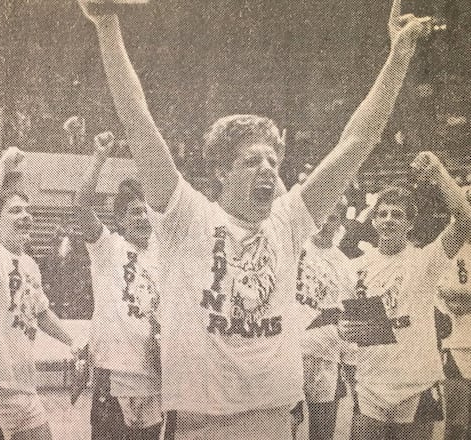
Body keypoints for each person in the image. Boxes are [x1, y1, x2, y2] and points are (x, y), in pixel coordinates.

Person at [78, 0, 431, 437]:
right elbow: (137, 119)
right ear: (222, 172)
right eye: (251, 161)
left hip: (276, 418)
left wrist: (398, 57)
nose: (267, 169)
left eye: (272, 161)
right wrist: (107, 25)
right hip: (201, 425)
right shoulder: (186, 216)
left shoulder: (288, 221)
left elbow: (357, 141)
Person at [339, 153, 471, 440]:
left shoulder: (425, 261)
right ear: (374, 221)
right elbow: (362, 337)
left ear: (410, 223)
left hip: (416, 386)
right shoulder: (356, 269)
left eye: (397, 215)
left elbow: (464, 221)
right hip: (371, 386)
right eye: (383, 214)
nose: (389, 220)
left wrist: (439, 174)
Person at [0, 147, 76, 440]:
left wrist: (72, 341)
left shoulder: (30, 265)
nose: (26, 216)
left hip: (25, 385)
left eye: (28, 211)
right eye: (15, 211)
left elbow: (42, 314)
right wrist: (2, 165)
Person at [75, 131, 162, 440]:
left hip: (155, 377)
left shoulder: (162, 254)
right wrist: (99, 159)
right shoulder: (108, 247)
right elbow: (81, 206)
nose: (144, 217)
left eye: (147, 210)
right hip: (115, 374)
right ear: (120, 219)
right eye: (135, 211)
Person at [294, 202, 356, 440]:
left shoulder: (345, 265)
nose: (324, 224)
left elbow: (348, 316)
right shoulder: (295, 248)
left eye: (332, 218)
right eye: (321, 216)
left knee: (322, 433)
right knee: (285, 427)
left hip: (326, 355)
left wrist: (349, 363)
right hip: (290, 352)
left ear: (339, 223)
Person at [438, 191, 471, 440]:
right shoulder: (448, 250)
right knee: (457, 425)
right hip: (457, 345)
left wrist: (463, 295)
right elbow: (453, 302)